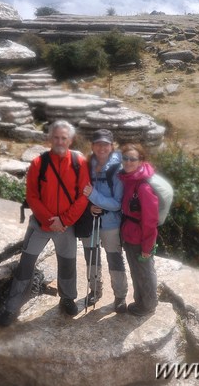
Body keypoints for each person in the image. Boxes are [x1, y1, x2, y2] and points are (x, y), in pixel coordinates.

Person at [0, 120, 91, 327]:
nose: (59, 141)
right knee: (26, 264)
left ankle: (67, 298)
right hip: (41, 224)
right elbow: (32, 196)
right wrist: (51, 221)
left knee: (67, 263)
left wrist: (64, 221)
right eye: (56, 137)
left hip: (66, 225)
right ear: (50, 139)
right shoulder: (38, 163)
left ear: (70, 140)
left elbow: (84, 196)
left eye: (63, 138)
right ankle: (11, 307)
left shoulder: (79, 162)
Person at [81, 129, 128, 314]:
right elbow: (78, 193)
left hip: (111, 223)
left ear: (112, 146)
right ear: (92, 146)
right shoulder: (85, 166)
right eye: (98, 143)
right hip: (90, 220)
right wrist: (88, 208)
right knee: (91, 257)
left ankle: (120, 295)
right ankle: (95, 290)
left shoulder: (118, 170)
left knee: (114, 258)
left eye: (106, 144)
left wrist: (94, 196)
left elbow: (117, 204)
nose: (102, 147)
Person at [118, 143, 159, 316]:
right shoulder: (129, 180)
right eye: (125, 158)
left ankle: (148, 305)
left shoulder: (143, 187)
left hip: (140, 238)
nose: (128, 162)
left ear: (141, 161)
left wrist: (147, 248)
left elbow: (150, 221)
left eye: (132, 159)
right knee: (136, 271)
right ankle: (140, 301)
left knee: (145, 272)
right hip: (129, 234)